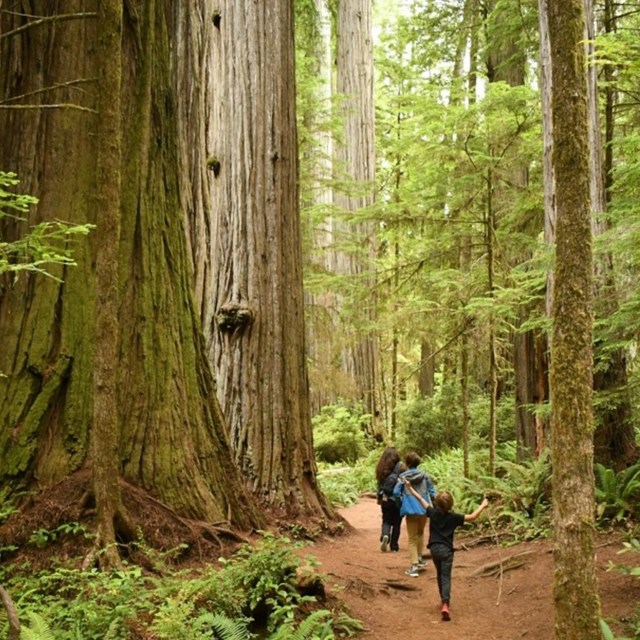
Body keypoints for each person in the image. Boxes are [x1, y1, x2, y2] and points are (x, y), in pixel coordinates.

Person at [404, 480, 489, 621]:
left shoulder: (432, 513)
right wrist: (483, 505)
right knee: (446, 577)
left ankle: (443, 601)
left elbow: (420, 499)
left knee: (439, 575)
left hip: (434, 550)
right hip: (447, 552)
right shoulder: (454, 517)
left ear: (436, 504)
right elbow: (473, 517)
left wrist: (410, 488)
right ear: (451, 504)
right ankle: (445, 604)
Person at [392, 451, 436, 577]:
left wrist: (402, 500)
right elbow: (432, 492)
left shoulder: (402, 477)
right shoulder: (425, 475)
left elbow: (395, 493)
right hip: (424, 508)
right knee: (420, 533)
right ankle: (420, 558)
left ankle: (414, 566)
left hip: (410, 509)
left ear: (407, 463)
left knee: (412, 538)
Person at [375, 447, 404, 552]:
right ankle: (394, 546)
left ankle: (386, 535)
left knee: (386, 520)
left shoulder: (381, 468)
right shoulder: (400, 467)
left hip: (385, 499)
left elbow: (378, 485)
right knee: (397, 523)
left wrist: (379, 497)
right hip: (397, 500)